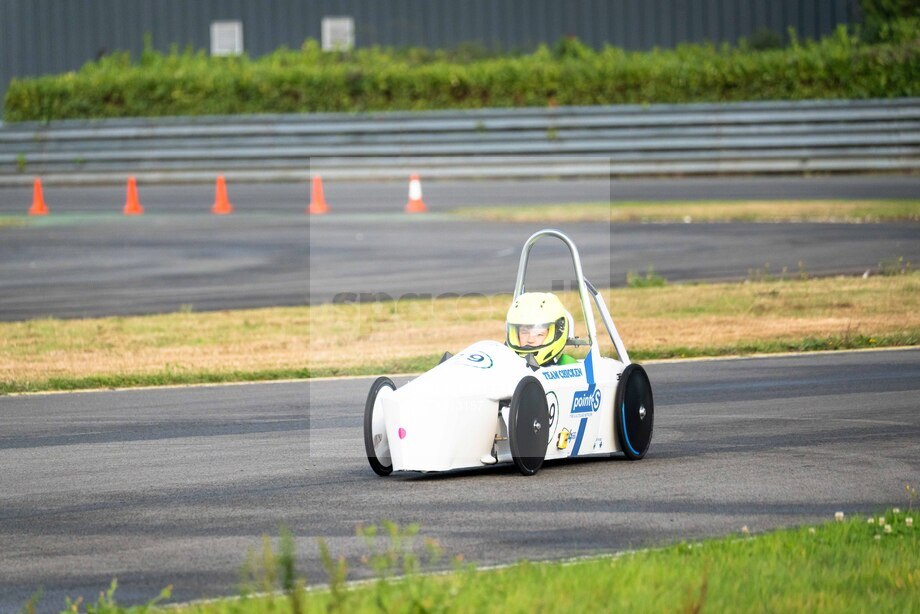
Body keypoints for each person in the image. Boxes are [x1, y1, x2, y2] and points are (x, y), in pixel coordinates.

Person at [505, 292, 577, 366]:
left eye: (539, 334)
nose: (530, 340)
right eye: (524, 333)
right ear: (515, 335)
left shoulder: (568, 368)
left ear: (555, 334)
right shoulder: (505, 365)